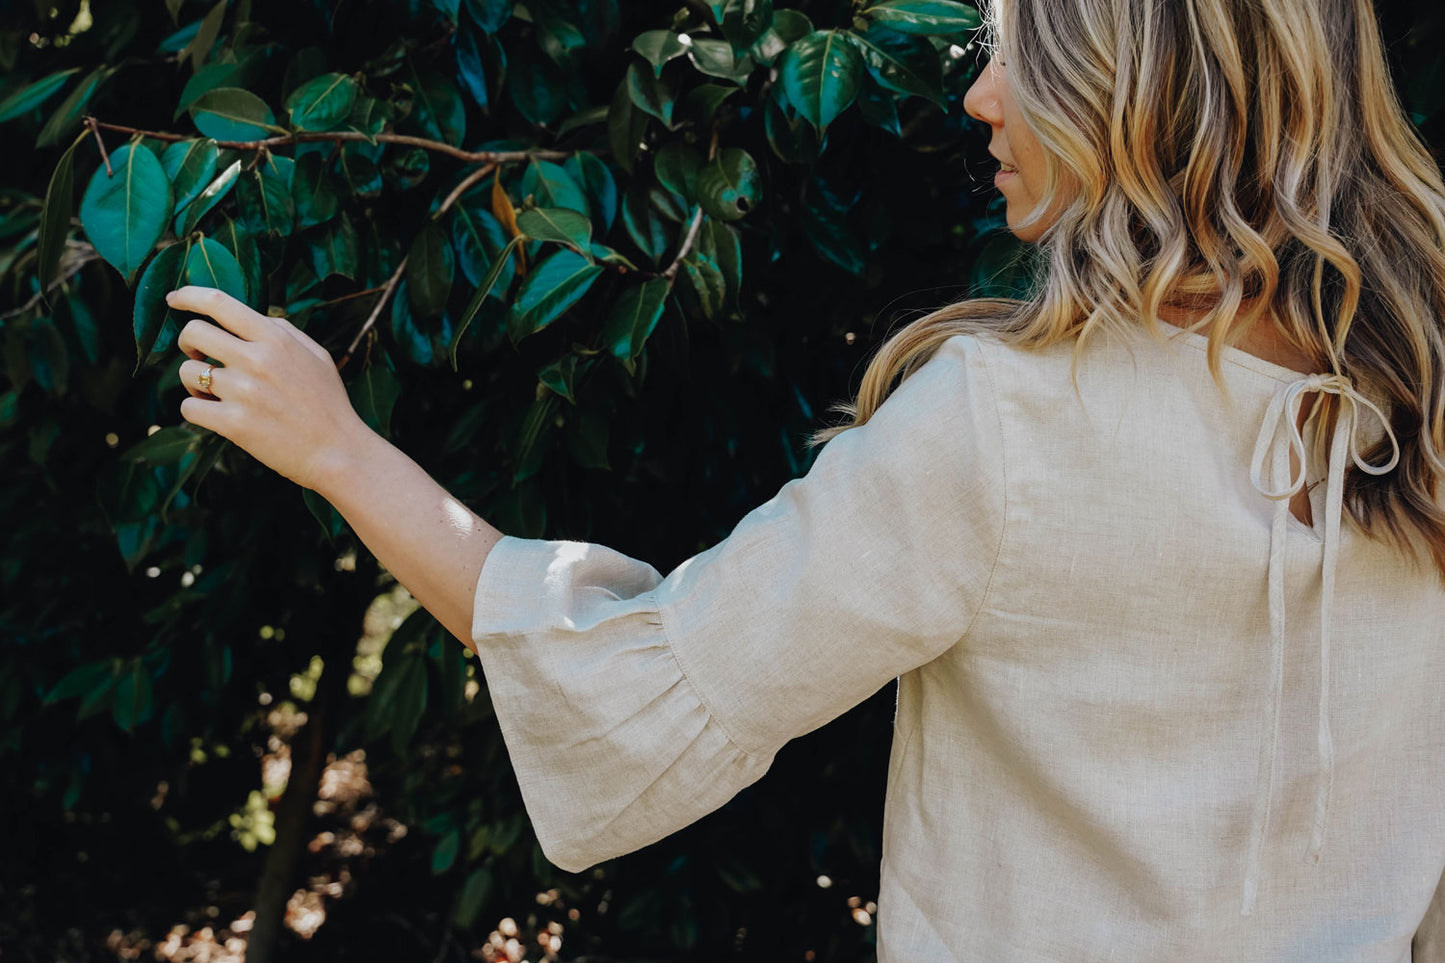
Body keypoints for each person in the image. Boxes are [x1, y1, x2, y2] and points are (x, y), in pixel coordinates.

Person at [165, 0, 1445, 956]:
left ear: (1138, 86)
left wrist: (338, 449)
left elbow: (637, 688)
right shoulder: (1423, 397)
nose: (979, 98)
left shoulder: (1005, 428)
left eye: (1021, 53)